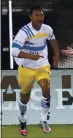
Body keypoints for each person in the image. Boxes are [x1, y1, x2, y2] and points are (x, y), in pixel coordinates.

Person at [12, 6, 59, 136]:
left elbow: (53, 41)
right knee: (25, 97)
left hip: (42, 64)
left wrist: (56, 56)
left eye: (41, 15)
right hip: (26, 66)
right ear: (31, 17)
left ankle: (43, 120)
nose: (40, 18)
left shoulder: (47, 29)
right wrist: (30, 56)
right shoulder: (24, 32)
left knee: (46, 87)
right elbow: (14, 51)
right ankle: (22, 119)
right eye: (37, 15)